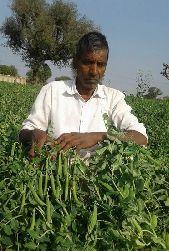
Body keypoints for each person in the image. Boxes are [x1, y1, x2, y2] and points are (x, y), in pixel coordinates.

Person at [19, 31, 148, 159]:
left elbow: (140, 136)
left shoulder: (113, 98)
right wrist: (34, 134)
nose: (94, 71)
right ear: (75, 63)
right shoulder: (52, 91)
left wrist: (98, 137)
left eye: (100, 64)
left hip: (98, 177)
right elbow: (25, 132)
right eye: (87, 62)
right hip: (53, 170)